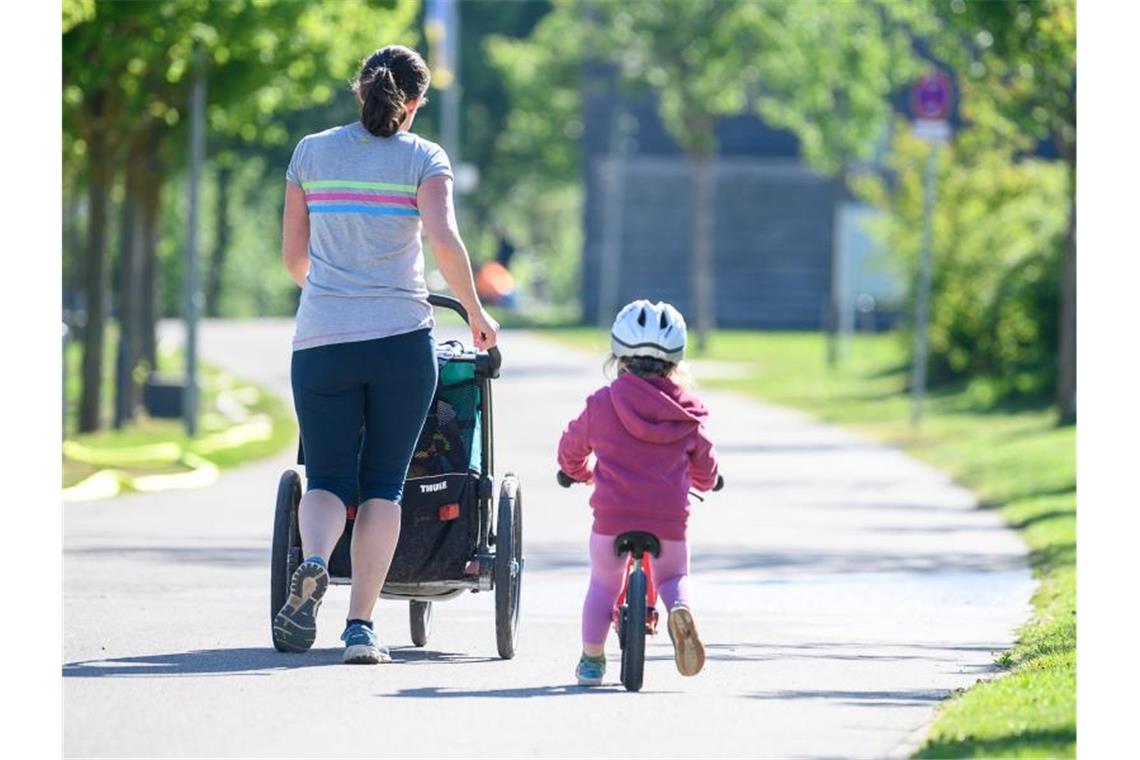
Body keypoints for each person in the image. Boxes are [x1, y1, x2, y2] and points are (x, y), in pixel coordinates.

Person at [274, 44, 500, 664]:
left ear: (359, 90)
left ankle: (316, 561)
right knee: (382, 487)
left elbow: (295, 258)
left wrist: (331, 288)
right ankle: (359, 630)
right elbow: (444, 239)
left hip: (322, 340)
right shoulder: (424, 158)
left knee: (325, 477)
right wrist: (477, 314)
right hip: (401, 342)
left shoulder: (310, 153)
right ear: (417, 101)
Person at [557, 300, 720, 686]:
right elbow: (705, 464)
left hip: (612, 518)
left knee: (602, 585)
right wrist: (706, 482)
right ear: (675, 363)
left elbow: (572, 447)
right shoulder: (688, 413)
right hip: (668, 521)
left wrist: (576, 472)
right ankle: (679, 608)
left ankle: (592, 662)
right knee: (674, 575)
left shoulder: (602, 404)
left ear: (619, 358)